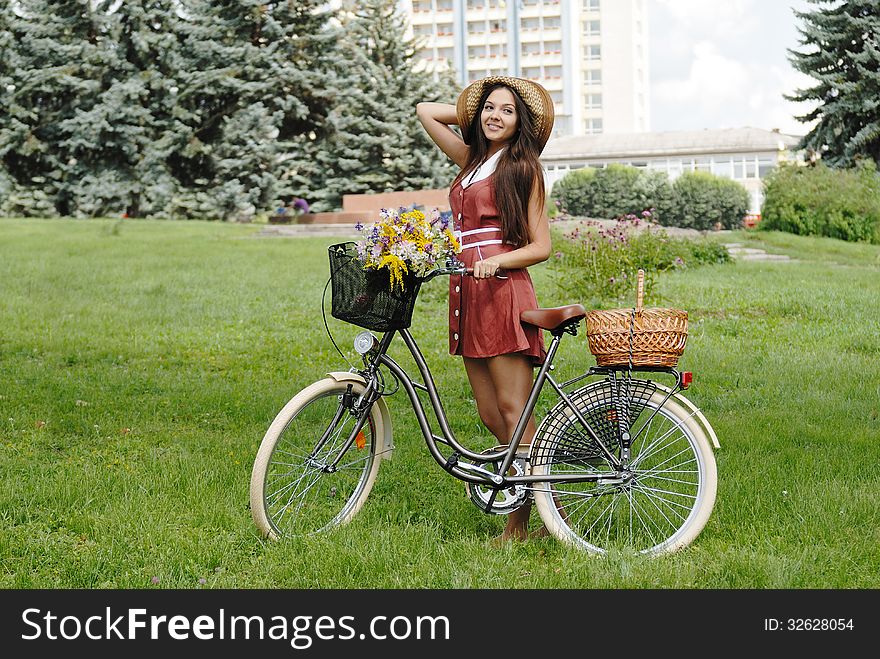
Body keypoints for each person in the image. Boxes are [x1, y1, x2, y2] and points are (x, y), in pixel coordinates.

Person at [417, 76, 555, 542]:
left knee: (515, 412)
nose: (496, 116)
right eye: (489, 109)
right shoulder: (473, 161)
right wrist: (473, 111)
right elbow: (424, 111)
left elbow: (541, 245)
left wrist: (495, 261)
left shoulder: (523, 169)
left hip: (503, 290)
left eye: (508, 111)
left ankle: (531, 519)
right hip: (468, 292)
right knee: (490, 414)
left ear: (523, 124)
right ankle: (526, 506)